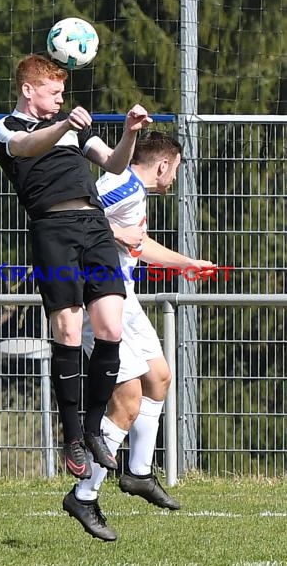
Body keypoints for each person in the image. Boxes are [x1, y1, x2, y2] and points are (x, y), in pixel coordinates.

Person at [0, 54, 152, 480]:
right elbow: (28, 147)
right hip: (51, 230)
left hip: (94, 226)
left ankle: (95, 428)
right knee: (66, 329)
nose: (61, 98)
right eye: (53, 91)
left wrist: (129, 134)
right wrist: (64, 125)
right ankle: (73, 437)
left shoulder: (72, 128)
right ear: (28, 90)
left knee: (110, 328)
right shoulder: (9, 128)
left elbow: (115, 164)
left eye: (63, 92)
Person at [62, 131, 216, 541]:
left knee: (160, 377)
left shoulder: (134, 192)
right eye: (177, 169)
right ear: (164, 164)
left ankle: (139, 473)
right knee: (128, 400)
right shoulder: (119, 184)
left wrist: (186, 264)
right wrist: (115, 235)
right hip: (99, 298)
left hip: (124, 297)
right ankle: (84, 494)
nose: (175, 179)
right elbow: (77, 219)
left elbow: (138, 242)